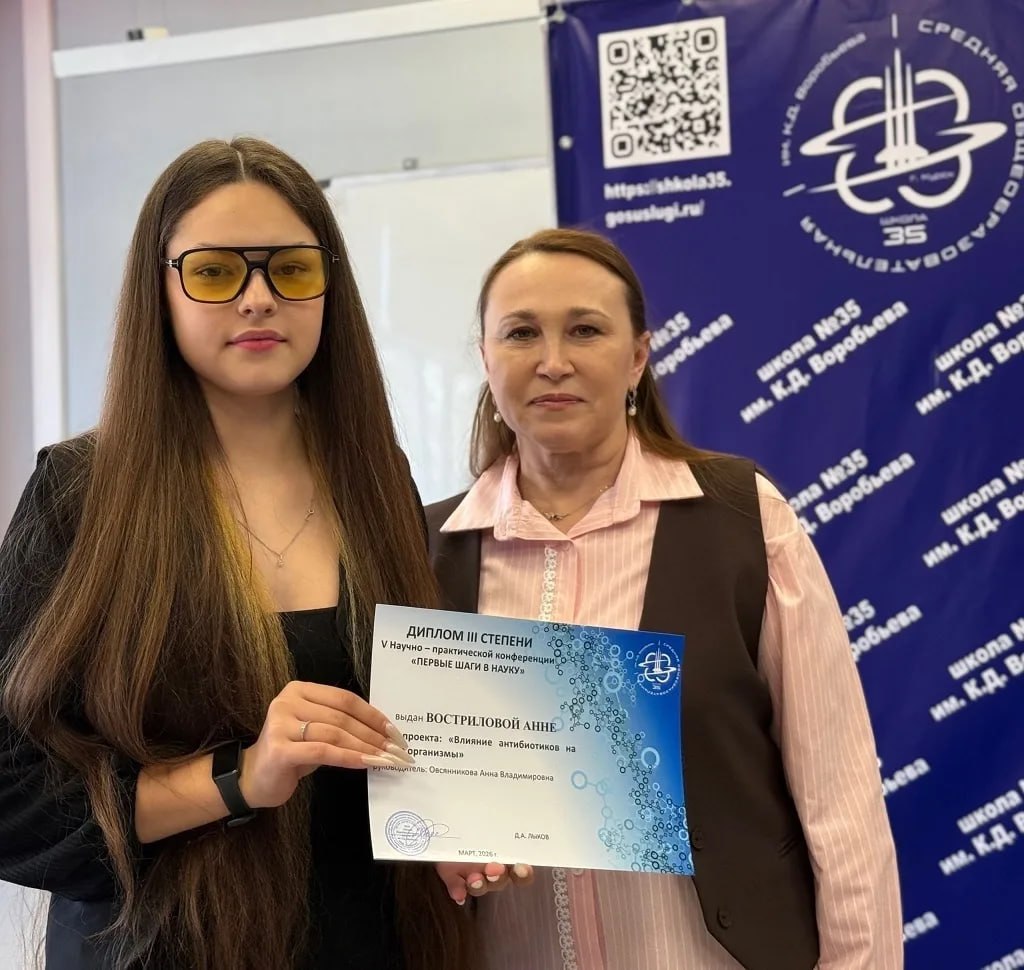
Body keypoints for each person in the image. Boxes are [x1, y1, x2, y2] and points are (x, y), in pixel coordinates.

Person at [0, 138, 473, 970]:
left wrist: (463, 824)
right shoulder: (79, 494)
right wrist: (242, 777)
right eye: (216, 272)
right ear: (159, 290)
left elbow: (404, 736)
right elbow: (14, 804)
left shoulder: (376, 477)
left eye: (291, 270)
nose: (259, 299)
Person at [429, 229, 902, 969]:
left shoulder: (742, 516)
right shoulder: (422, 549)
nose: (553, 361)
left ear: (638, 357)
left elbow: (838, 794)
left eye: (585, 329)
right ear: (486, 359)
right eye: (520, 333)